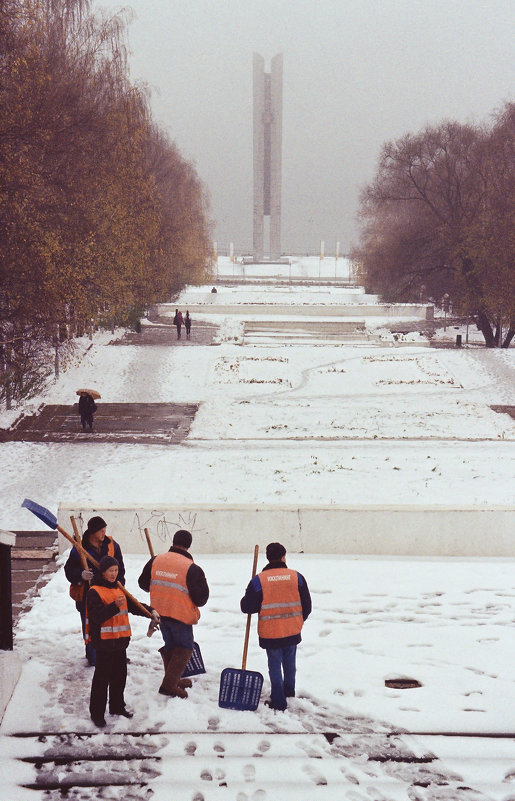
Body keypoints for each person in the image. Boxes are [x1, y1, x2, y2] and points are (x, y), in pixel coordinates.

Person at [86, 555, 159, 727]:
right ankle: (97, 714)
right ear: (103, 572)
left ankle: (117, 707)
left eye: (116, 570)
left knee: (120, 677)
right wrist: (114, 607)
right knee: (101, 680)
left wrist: (151, 611)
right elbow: (96, 617)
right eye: (110, 571)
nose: (114, 574)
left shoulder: (119, 589)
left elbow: (134, 605)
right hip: (104, 643)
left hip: (120, 642)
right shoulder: (94, 591)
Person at [240, 542, 311, 711]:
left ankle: (278, 701)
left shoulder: (259, 580)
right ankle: (289, 692)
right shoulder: (297, 577)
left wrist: (248, 594)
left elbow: (247, 607)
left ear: (268, 558)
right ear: (283, 557)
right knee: (289, 663)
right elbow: (306, 605)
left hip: (270, 632)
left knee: (274, 666)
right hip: (292, 629)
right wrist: (298, 621)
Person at [138, 529, 209, 698]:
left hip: (159, 612)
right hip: (180, 615)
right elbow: (201, 599)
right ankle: (169, 685)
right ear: (188, 546)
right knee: (184, 647)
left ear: (173, 541)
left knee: (170, 645)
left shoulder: (156, 560)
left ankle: (174, 679)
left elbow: (142, 583)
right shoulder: (192, 568)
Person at [64, 516, 126, 666]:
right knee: (91, 626)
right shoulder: (79, 547)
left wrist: (120, 586)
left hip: (109, 592)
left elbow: (121, 569)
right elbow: (69, 570)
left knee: (111, 623)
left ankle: (114, 653)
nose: (104, 533)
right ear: (92, 532)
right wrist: (81, 575)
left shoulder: (112, 545)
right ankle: (94, 656)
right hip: (87, 594)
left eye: (105, 529)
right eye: (101, 530)